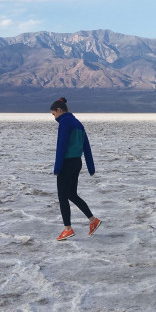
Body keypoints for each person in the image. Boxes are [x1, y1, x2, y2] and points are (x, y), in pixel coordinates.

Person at [50, 97, 101, 240]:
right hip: (77, 163)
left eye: (54, 114)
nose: (54, 118)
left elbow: (61, 146)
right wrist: (90, 166)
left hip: (66, 163)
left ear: (59, 110)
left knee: (62, 196)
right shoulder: (78, 123)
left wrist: (57, 167)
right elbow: (87, 146)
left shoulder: (65, 123)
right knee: (71, 194)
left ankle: (67, 229)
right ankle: (93, 220)